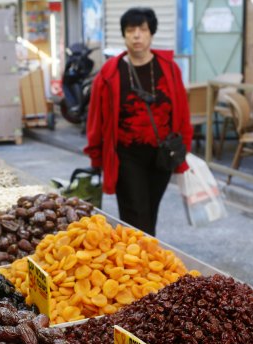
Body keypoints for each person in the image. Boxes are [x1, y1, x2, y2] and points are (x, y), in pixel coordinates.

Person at [84, 7, 192, 236]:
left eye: (142, 29)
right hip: (126, 155)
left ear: (151, 33)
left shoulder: (169, 69)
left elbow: (182, 113)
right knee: (135, 214)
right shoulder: (109, 73)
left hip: (162, 154)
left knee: (150, 211)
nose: (136, 35)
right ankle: (138, 260)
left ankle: (143, 260)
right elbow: (95, 119)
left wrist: (184, 149)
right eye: (130, 30)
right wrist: (96, 155)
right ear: (124, 35)